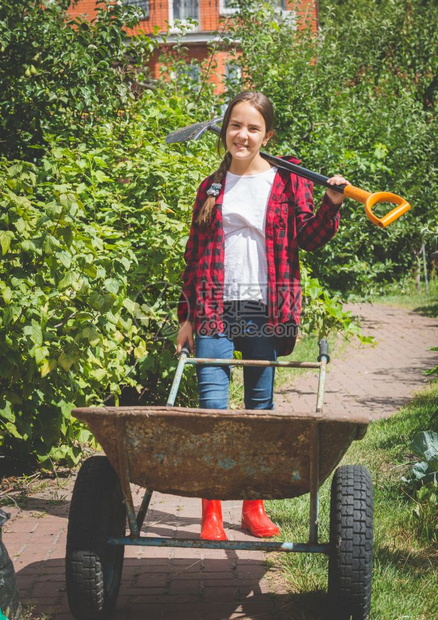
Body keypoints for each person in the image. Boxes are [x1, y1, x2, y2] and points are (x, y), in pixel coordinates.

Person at [176, 90, 349, 540]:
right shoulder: (211, 186)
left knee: (259, 410)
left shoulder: (287, 181)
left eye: (253, 128)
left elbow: (308, 239)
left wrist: (330, 205)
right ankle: (211, 510)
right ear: (226, 129)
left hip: (264, 309)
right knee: (212, 410)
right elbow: (194, 254)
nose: (243, 134)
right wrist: (185, 317)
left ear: (266, 134)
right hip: (214, 304)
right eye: (236, 125)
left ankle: (253, 508)